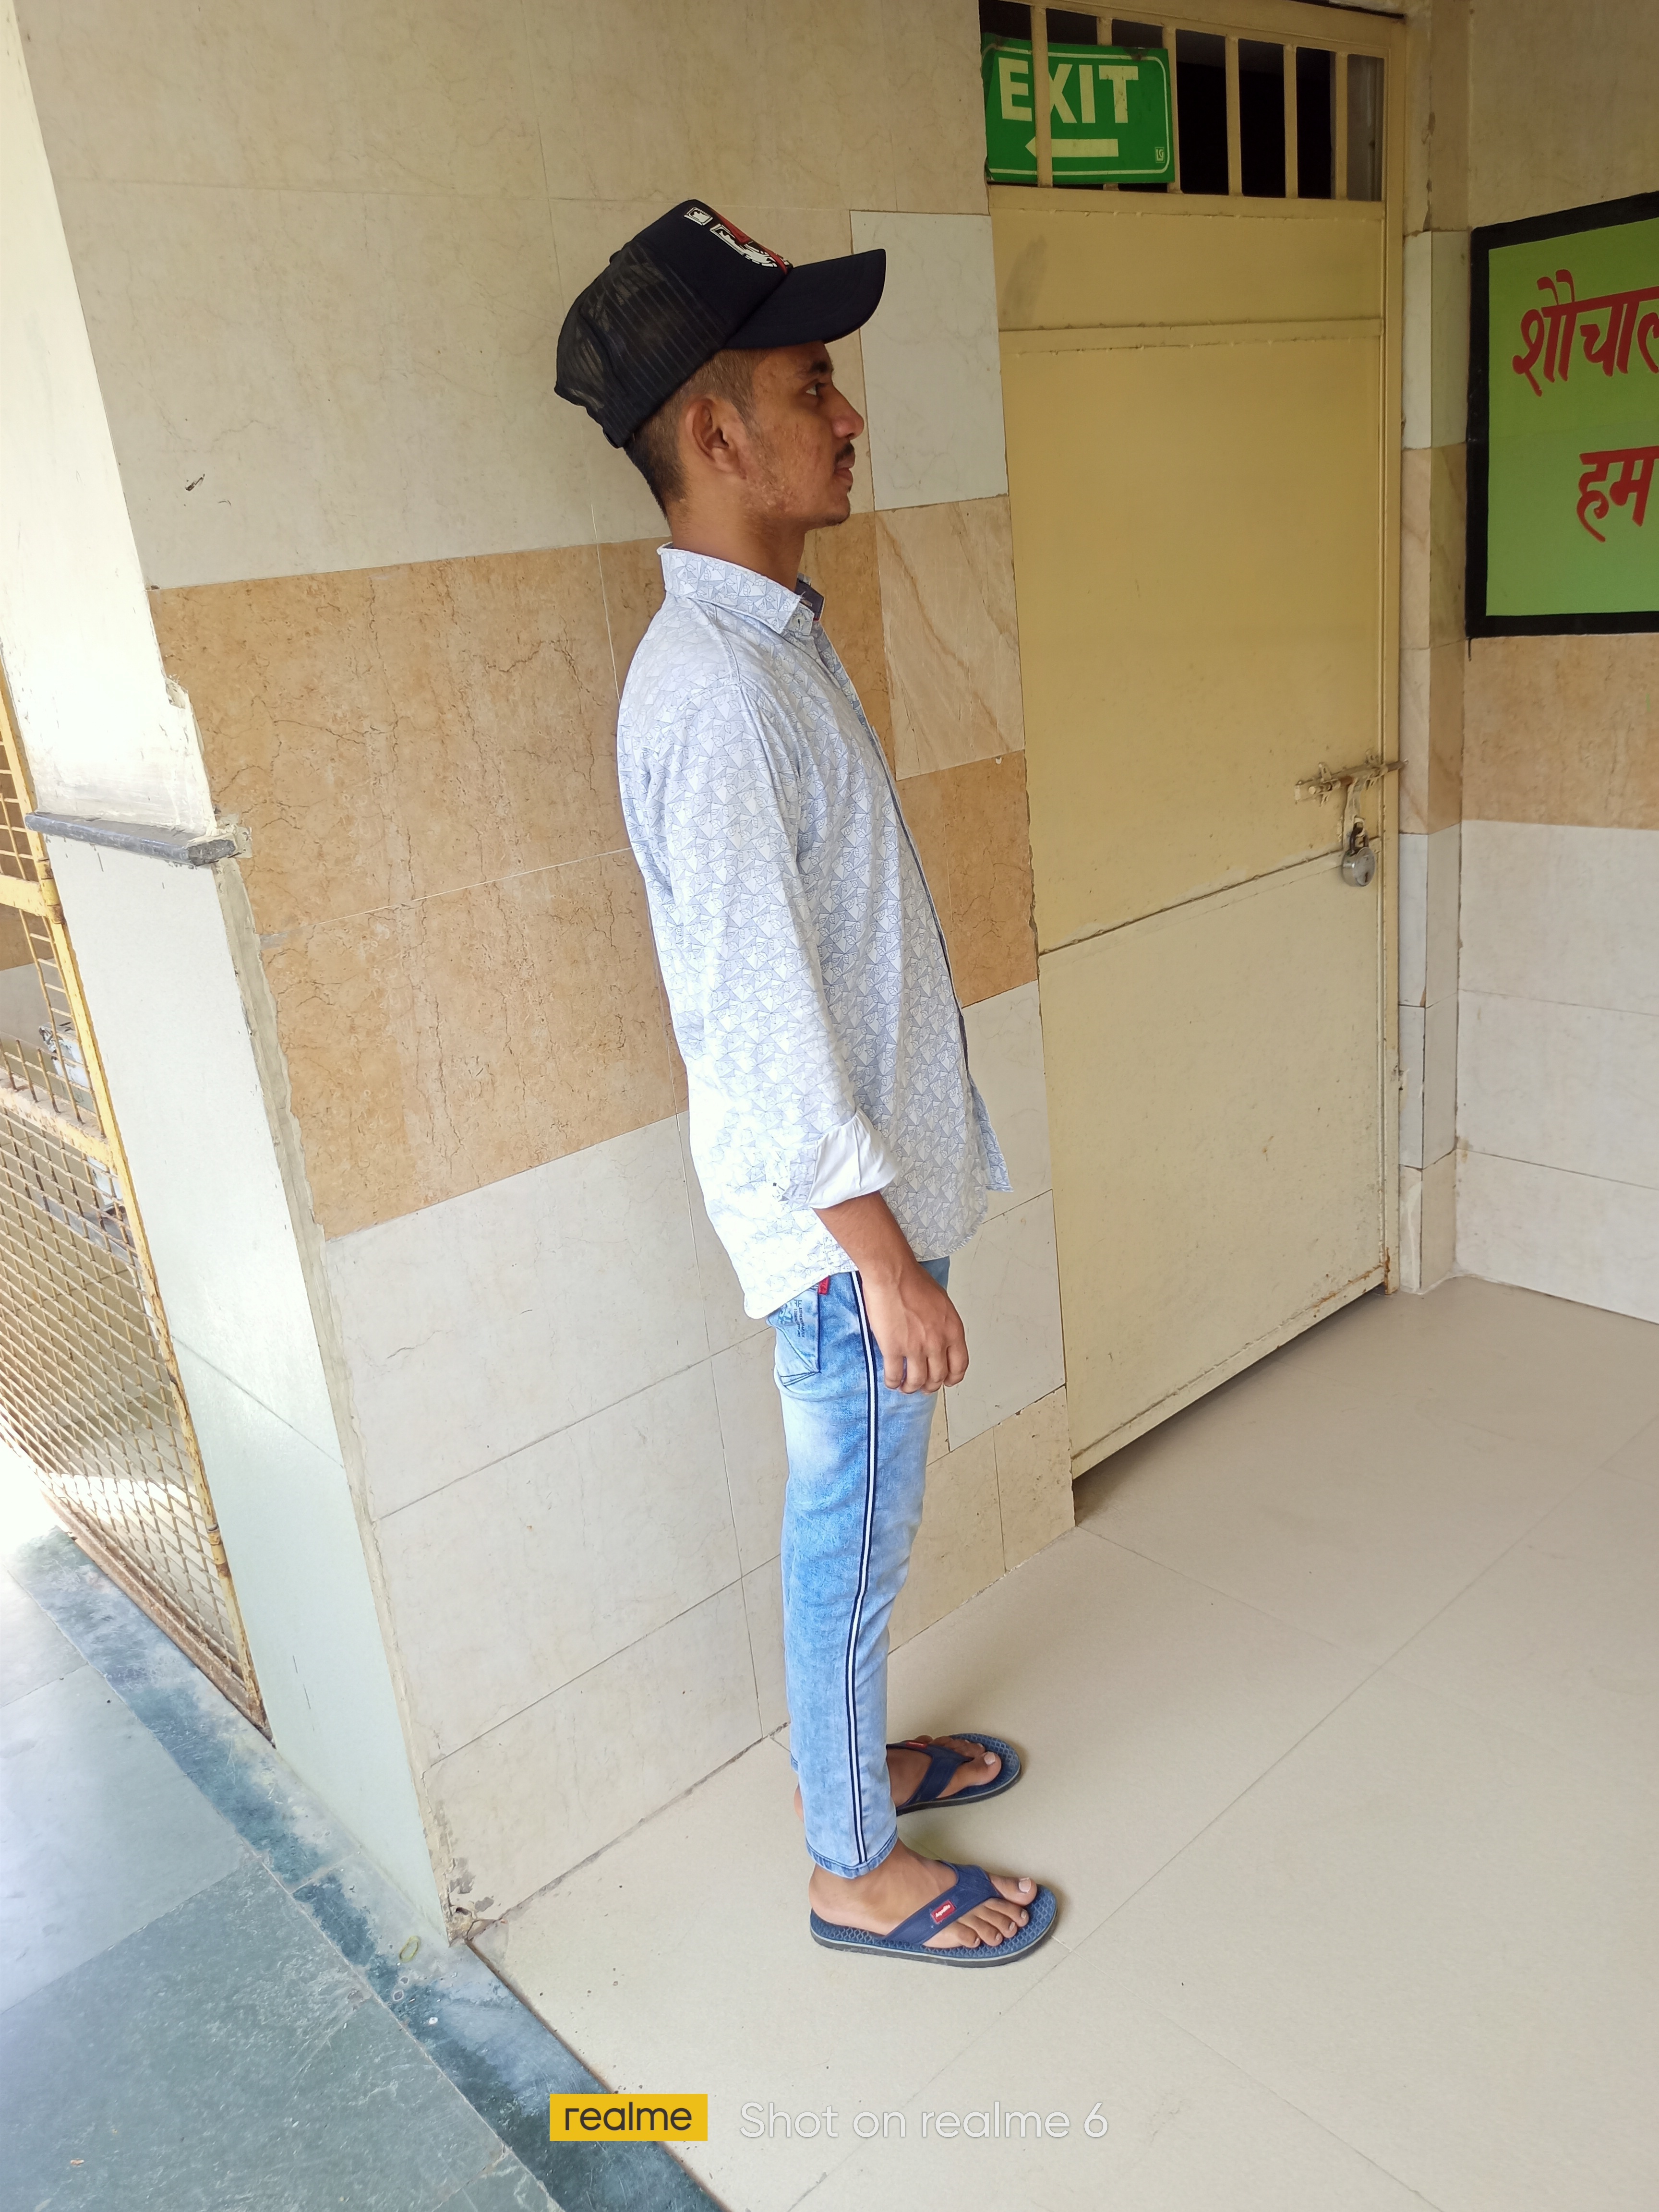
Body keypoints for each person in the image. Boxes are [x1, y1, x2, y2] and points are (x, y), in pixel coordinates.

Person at [555, 202, 1056, 1965]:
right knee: (849, 1539)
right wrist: (888, 1264)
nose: (849, 420)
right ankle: (853, 1866)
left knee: (864, 1534)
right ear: (716, 434)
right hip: (848, 1247)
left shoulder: (764, 641)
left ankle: (853, 1761)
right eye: (812, 387)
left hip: (869, 1214)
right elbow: (763, 1028)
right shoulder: (712, 693)